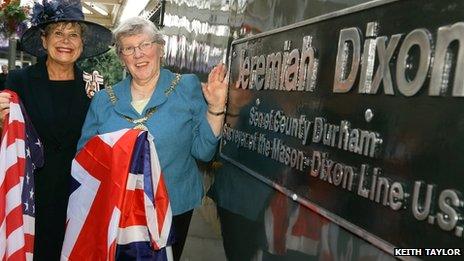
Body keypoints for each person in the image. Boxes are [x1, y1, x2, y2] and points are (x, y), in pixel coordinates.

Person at [77, 16, 228, 260]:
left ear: (160, 48)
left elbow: (204, 152)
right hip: (118, 210)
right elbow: (85, 158)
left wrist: (216, 108)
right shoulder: (103, 100)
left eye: (145, 44)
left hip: (173, 206)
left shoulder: (186, 88)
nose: (138, 54)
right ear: (121, 58)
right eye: (129, 48)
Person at [0, 0, 112, 259]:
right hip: (30, 195)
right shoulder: (20, 81)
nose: (66, 41)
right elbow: (8, 137)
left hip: (76, 197)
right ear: (44, 40)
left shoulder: (94, 86)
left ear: (82, 43)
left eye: (74, 34)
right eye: (58, 33)